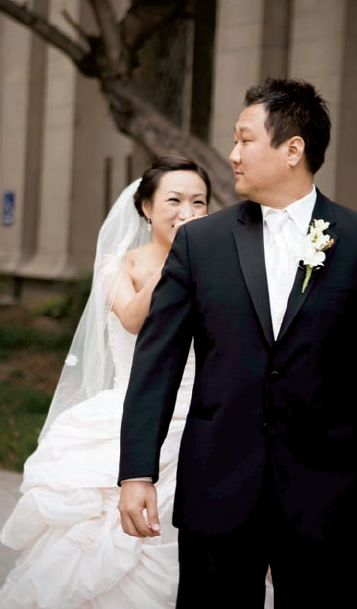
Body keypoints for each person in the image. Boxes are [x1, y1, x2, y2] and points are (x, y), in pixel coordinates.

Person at [119, 78, 357, 609]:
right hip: (217, 489)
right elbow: (156, 361)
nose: (231, 155)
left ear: (293, 149)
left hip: (325, 497)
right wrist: (137, 469)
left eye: (245, 139)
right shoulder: (199, 243)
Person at [0, 155, 212, 609]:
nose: (187, 210)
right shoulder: (121, 264)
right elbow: (134, 320)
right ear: (146, 207)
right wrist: (176, 261)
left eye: (199, 201)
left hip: (199, 418)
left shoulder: (214, 268)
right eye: (174, 200)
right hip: (132, 416)